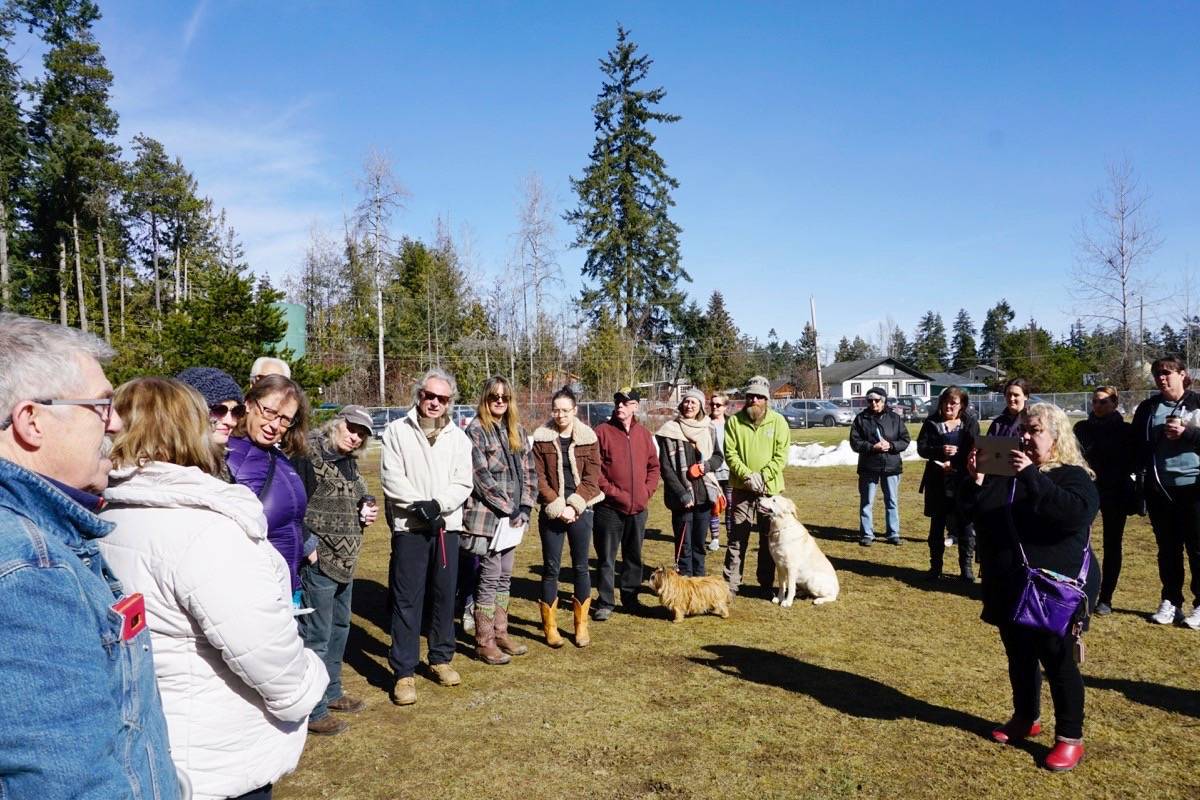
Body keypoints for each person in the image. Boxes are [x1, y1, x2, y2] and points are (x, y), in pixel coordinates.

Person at [100, 377, 329, 800]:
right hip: (213, 758)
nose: (225, 423)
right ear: (189, 430)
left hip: (157, 743)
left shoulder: (109, 513)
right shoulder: (203, 530)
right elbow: (268, 658)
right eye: (213, 414)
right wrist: (312, 679)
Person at [0, 313, 179, 799]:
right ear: (32, 421)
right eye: (101, 405)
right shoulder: (31, 569)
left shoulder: (43, 537)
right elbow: (67, 782)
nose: (118, 421)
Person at [961, 403, 1099, 772]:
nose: (1024, 436)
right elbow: (978, 517)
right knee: (1019, 657)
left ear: (1056, 436)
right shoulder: (1006, 474)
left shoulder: (1073, 476)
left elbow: (1072, 515)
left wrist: (1031, 477)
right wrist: (976, 480)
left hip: (1053, 590)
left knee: (1058, 663)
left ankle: (1070, 738)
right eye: (1022, 429)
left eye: (1034, 430)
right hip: (1011, 584)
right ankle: (1026, 718)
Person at [381, 369, 473, 705]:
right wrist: (417, 507)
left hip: (446, 526)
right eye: (429, 395)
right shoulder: (396, 432)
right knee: (407, 599)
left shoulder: (460, 439)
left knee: (444, 595)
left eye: (442, 398)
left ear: (451, 402)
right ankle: (404, 672)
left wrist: (439, 505)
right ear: (419, 395)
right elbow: (391, 478)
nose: (434, 402)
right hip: (410, 528)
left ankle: (441, 658)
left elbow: (463, 482)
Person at [293, 405, 378, 736]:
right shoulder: (309, 453)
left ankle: (332, 691)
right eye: (352, 427)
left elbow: (360, 492)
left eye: (362, 433)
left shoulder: (350, 463)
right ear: (338, 423)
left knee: (340, 626)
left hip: (347, 561)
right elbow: (293, 504)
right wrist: (308, 545)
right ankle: (313, 710)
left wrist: (367, 505)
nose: (355, 436)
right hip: (320, 561)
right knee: (316, 633)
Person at [461, 376, 538, 664]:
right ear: (486, 398)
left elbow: (530, 471)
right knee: (489, 578)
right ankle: (484, 639)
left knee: (505, 575)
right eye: (495, 397)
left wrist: (526, 507)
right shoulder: (476, 431)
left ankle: (501, 631)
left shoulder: (517, 429)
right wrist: (508, 508)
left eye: (505, 397)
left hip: (514, 520)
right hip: (489, 519)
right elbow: (480, 477)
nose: (500, 402)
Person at [226, 374, 313, 605]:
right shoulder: (226, 456)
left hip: (287, 587)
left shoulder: (279, 457)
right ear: (249, 404)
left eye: (285, 419)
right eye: (270, 412)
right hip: (252, 593)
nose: (275, 425)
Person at [531, 386, 604, 647]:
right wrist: (557, 505)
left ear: (575, 410)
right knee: (550, 569)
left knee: (581, 566)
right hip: (552, 511)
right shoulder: (541, 438)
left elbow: (592, 478)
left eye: (565, 410)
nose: (560, 415)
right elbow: (537, 477)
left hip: (581, 510)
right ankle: (550, 628)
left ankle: (580, 626)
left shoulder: (589, 438)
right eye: (556, 409)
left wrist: (574, 506)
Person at [1131, 356, 1200, 628]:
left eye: (1167, 372)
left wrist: (1186, 434)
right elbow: (1136, 444)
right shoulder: (1148, 408)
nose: (1161, 378)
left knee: (1197, 549)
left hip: (1194, 487)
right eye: (1157, 373)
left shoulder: (1197, 403)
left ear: (1182, 374)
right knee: (1167, 549)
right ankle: (1171, 601)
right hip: (1160, 488)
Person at [592, 387, 661, 620]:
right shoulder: (602, 432)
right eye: (618, 401)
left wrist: (646, 491)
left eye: (626, 402)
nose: (620, 405)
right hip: (609, 508)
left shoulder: (643, 434)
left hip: (638, 508)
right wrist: (612, 492)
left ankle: (630, 598)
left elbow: (654, 466)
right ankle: (605, 601)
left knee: (633, 556)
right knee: (606, 558)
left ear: (635, 406)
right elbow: (594, 469)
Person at [723, 376, 790, 598]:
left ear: (766, 399)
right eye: (750, 396)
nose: (754, 400)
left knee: (768, 539)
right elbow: (730, 454)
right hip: (742, 488)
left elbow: (781, 456)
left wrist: (763, 476)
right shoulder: (734, 422)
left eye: (759, 397)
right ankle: (731, 585)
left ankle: (765, 584)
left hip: (769, 491)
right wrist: (746, 475)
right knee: (737, 538)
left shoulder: (778, 422)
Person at [1074, 386, 1135, 616]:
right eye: (1095, 402)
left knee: (1112, 544)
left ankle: (1106, 597)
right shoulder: (1082, 429)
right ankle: (1078, 587)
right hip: (1087, 489)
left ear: (1115, 403)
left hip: (1115, 493)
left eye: (1104, 402)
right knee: (1078, 539)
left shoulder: (1124, 431)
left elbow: (1132, 461)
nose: (1098, 406)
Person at [656, 387, 724, 577]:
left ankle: (699, 589)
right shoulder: (670, 430)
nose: (689, 405)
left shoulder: (708, 428)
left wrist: (706, 466)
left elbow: (718, 457)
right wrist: (682, 494)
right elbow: (666, 468)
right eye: (686, 401)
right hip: (682, 500)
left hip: (703, 497)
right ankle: (684, 590)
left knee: (699, 546)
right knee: (683, 548)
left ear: (700, 406)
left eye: (694, 402)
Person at [916, 387, 980, 580]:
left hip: (963, 481)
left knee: (966, 527)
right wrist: (939, 451)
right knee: (937, 527)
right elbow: (922, 448)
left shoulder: (970, 423)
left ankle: (966, 570)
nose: (949, 406)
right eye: (946, 402)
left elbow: (976, 448)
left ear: (962, 405)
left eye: (954, 403)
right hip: (937, 482)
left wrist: (958, 456)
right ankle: (935, 568)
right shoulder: (931, 422)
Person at [849, 387, 910, 547]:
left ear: (884, 400)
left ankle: (893, 533)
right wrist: (872, 447)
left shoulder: (895, 418)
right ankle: (867, 534)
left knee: (891, 501)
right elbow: (855, 442)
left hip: (891, 466)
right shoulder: (861, 419)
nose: (873, 403)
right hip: (869, 467)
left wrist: (890, 445)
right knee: (867, 502)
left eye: (877, 400)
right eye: (870, 400)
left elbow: (905, 440)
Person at [176, 366, 244, 481]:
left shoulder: (223, 466)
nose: (230, 421)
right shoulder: (165, 467)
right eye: (219, 410)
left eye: (237, 411)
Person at [707, 392, 732, 552]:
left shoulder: (732, 423)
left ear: (725, 407)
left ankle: (731, 538)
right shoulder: (705, 423)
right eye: (712, 404)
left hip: (729, 472)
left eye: (718, 405)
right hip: (712, 472)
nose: (714, 407)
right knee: (714, 506)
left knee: (730, 506)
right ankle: (715, 538)